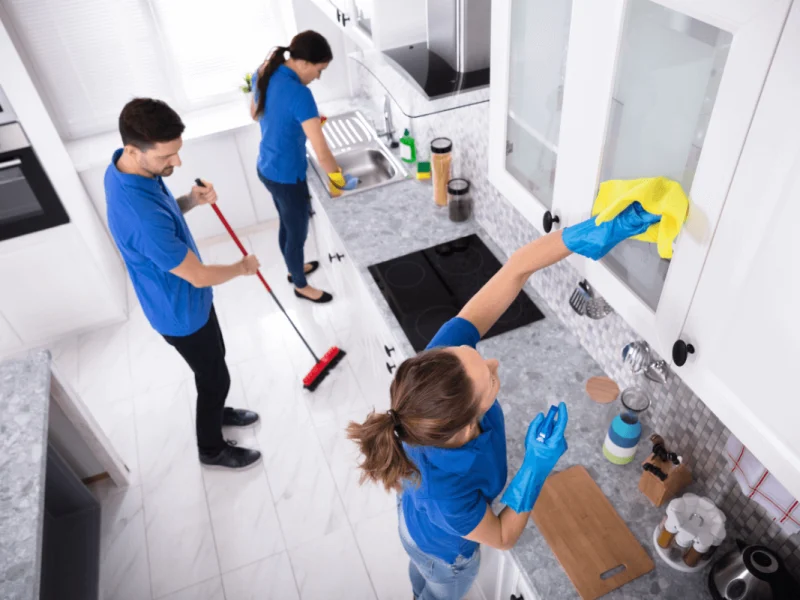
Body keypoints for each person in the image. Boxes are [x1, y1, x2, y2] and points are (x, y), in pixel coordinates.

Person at [347, 204, 661, 599]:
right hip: (444, 555)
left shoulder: (437, 373)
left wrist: (582, 237)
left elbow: (516, 269)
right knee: (433, 588)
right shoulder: (447, 491)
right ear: (466, 424)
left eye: (473, 353)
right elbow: (500, 535)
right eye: (490, 378)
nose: (493, 361)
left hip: (416, 520)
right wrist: (536, 465)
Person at [105, 98, 262, 470]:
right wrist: (241, 267)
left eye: (177, 152)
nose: (176, 163)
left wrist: (190, 199)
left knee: (214, 364)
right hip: (180, 312)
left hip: (188, 301)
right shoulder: (140, 216)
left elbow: (166, 216)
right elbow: (197, 274)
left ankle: (218, 408)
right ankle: (211, 449)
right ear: (133, 149)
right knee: (213, 378)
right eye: (167, 157)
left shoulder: (126, 169)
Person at [251, 30, 359, 304]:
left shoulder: (265, 71)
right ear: (304, 63)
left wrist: (298, 123)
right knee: (297, 232)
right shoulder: (301, 94)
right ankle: (300, 284)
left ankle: (292, 268)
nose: (318, 77)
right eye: (319, 70)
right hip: (287, 176)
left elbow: (255, 114)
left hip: (266, 166)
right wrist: (339, 179)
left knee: (287, 225)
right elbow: (322, 151)